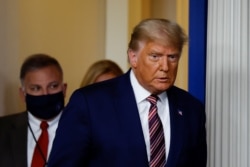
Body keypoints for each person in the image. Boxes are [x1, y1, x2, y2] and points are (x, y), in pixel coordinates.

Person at [48, 18, 207, 167]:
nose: (165, 66)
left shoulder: (191, 110)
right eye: (155, 56)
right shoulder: (89, 104)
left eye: (172, 57)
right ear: (133, 57)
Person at [0, 53, 67, 167]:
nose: (45, 94)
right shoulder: (2, 129)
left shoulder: (85, 129)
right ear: (23, 94)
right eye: (36, 88)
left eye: (53, 86)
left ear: (64, 89)